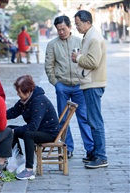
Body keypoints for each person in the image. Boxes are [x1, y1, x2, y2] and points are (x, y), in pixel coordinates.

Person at [45, 15, 94, 160]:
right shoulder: (52, 45)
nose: (61, 32)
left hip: (79, 86)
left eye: (63, 29)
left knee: (84, 118)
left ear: (70, 27)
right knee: (63, 118)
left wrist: (85, 81)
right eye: (58, 30)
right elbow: (49, 66)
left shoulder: (80, 42)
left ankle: (90, 149)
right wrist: (56, 83)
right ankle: (68, 148)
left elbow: (87, 61)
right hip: (63, 87)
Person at [71, 10, 107, 169]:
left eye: (78, 24)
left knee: (95, 121)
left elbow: (93, 61)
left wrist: (77, 58)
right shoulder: (89, 36)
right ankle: (95, 153)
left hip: (93, 83)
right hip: (89, 82)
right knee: (92, 120)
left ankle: (101, 156)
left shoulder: (93, 38)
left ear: (87, 22)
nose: (77, 27)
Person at [7, 75, 59, 180]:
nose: (18, 94)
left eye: (19, 92)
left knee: (28, 134)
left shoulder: (38, 101)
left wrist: (14, 131)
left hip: (49, 133)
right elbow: (13, 112)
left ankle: (29, 170)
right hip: (39, 130)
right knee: (9, 128)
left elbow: (33, 126)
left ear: (28, 91)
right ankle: (18, 159)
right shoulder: (25, 100)